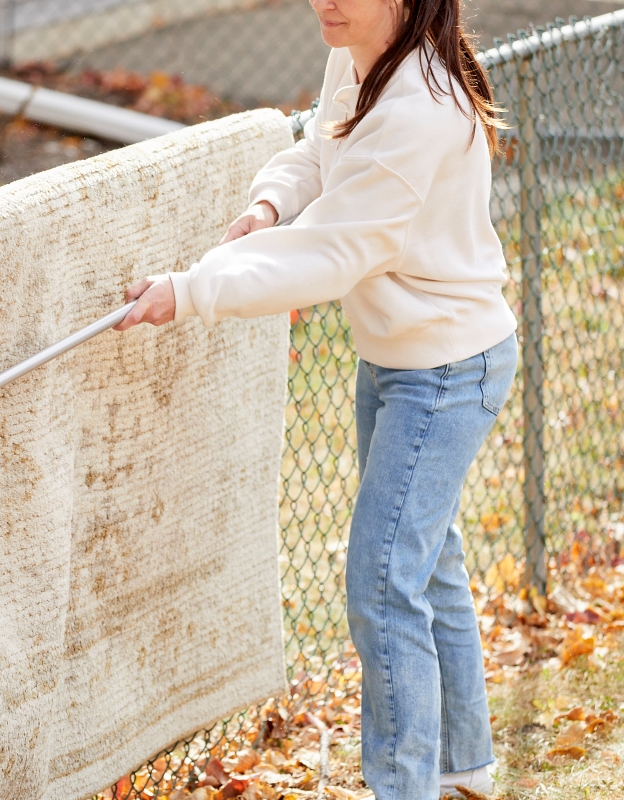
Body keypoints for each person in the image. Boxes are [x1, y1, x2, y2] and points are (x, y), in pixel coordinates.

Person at [113, 0, 517, 797]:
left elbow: (334, 251)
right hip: (402, 356)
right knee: (427, 565)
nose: (324, 0)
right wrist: (266, 203)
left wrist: (192, 291)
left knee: (381, 579)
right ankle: (463, 768)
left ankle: (404, 786)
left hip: (445, 369)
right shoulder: (361, 56)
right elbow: (316, 154)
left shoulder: (421, 111)